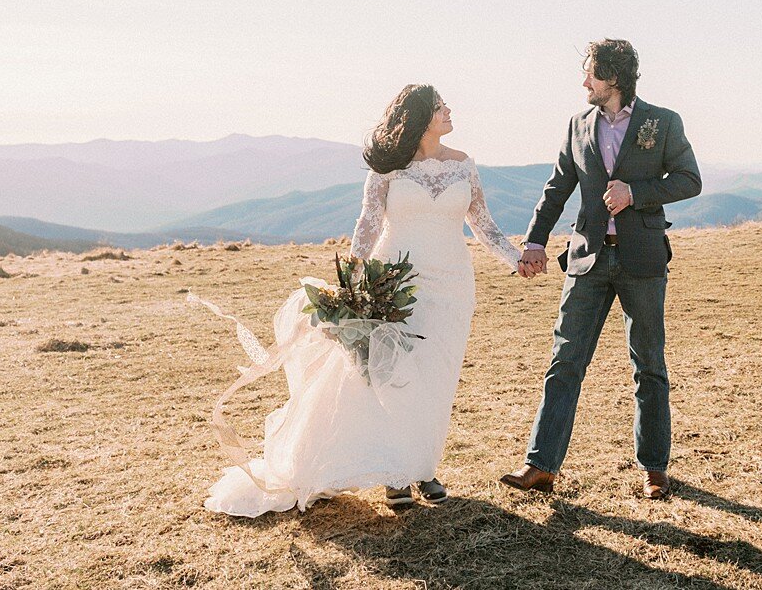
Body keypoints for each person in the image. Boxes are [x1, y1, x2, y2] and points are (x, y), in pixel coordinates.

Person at [197, 84, 522, 515]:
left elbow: (483, 225)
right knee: (394, 377)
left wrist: (518, 259)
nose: (449, 111)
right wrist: (351, 279)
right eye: (441, 106)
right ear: (421, 117)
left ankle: (423, 465)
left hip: (453, 284)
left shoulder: (464, 166)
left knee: (436, 377)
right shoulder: (388, 167)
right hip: (396, 283)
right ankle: (396, 473)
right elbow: (368, 223)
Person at [501, 39, 701, 500]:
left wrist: (636, 192)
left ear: (613, 77)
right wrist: (534, 241)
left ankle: (654, 468)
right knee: (564, 361)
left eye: (590, 73)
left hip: (643, 260)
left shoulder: (663, 122)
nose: (583, 81)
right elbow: (557, 189)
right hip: (587, 258)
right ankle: (540, 465)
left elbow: (690, 180)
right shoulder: (577, 124)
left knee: (648, 365)